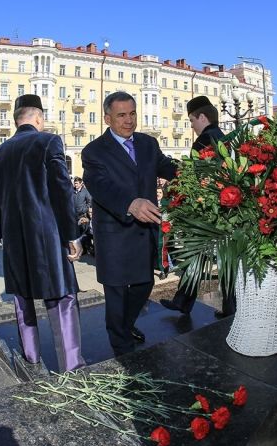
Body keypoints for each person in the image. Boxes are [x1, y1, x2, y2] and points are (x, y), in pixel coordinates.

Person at [0, 94, 85, 372]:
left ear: (17, 119)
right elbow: (61, 191)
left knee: (22, 300)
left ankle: (31, 358)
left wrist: (2, 233)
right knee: (61, 298)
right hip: (48, 238)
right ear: (38, 118)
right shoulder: (48, 141)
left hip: (14, 241)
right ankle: (71, 364)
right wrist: (72, 235)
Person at [82, 91, 176, 356]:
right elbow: (100, 186)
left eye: (132, 113)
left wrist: (195, 171)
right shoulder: (94, 151)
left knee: (145, 284)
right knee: (116, 293)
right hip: (114, 233)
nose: (129, 120)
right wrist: (130, 204)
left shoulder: (147, 143)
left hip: (144, 230)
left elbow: (166, 167)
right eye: (121, 115)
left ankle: (125, 325)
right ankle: (122, 349)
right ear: (107, 118)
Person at [159, 95, 236, 319]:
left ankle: (184, 301)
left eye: (192, 120)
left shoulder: (205, 140)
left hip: (208, 208)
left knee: (197, 253)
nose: (191, 126)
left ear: (202, 117)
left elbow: (195, 174)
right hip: (226, 206)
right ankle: (224, 307)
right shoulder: (224, 137)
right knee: (225, 258)